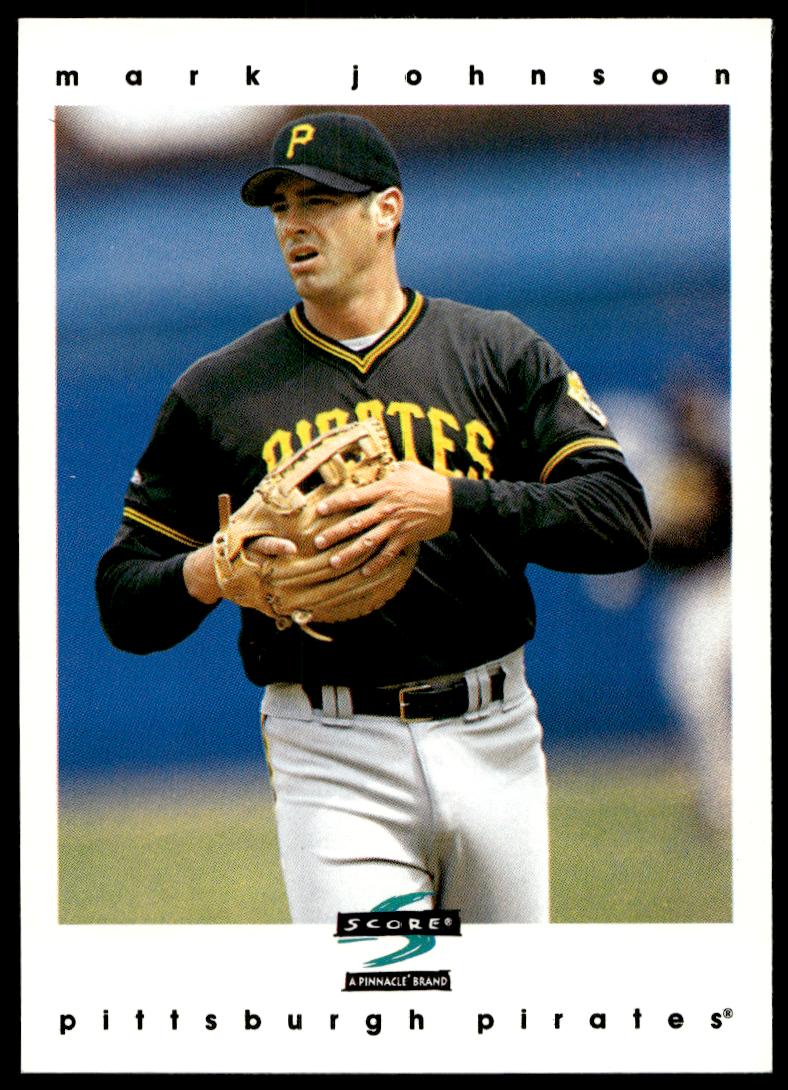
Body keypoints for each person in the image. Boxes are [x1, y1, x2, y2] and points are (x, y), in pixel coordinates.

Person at [96, 111, 652, 924]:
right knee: (385, 988)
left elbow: (620, 519)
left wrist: (452, 501)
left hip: (495, 729)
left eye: (319, 200)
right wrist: (212, 572)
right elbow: (122, 598)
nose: (294, 224)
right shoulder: (219, 392)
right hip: (332, 749)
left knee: (501, 999)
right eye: (280, 205)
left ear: (387, 209)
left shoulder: (494, 351)